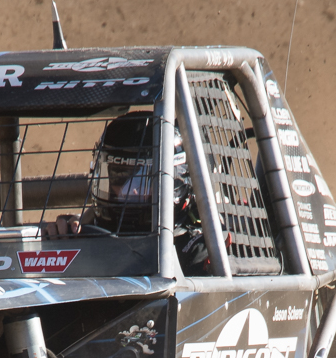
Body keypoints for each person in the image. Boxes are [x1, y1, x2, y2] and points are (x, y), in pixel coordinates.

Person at [40, 112, 211, 273]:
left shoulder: (202, 248)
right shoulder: (83, 234)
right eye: (119, 179)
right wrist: (64, 242)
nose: (127, 190)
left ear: (175, 182)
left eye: (142, 180)